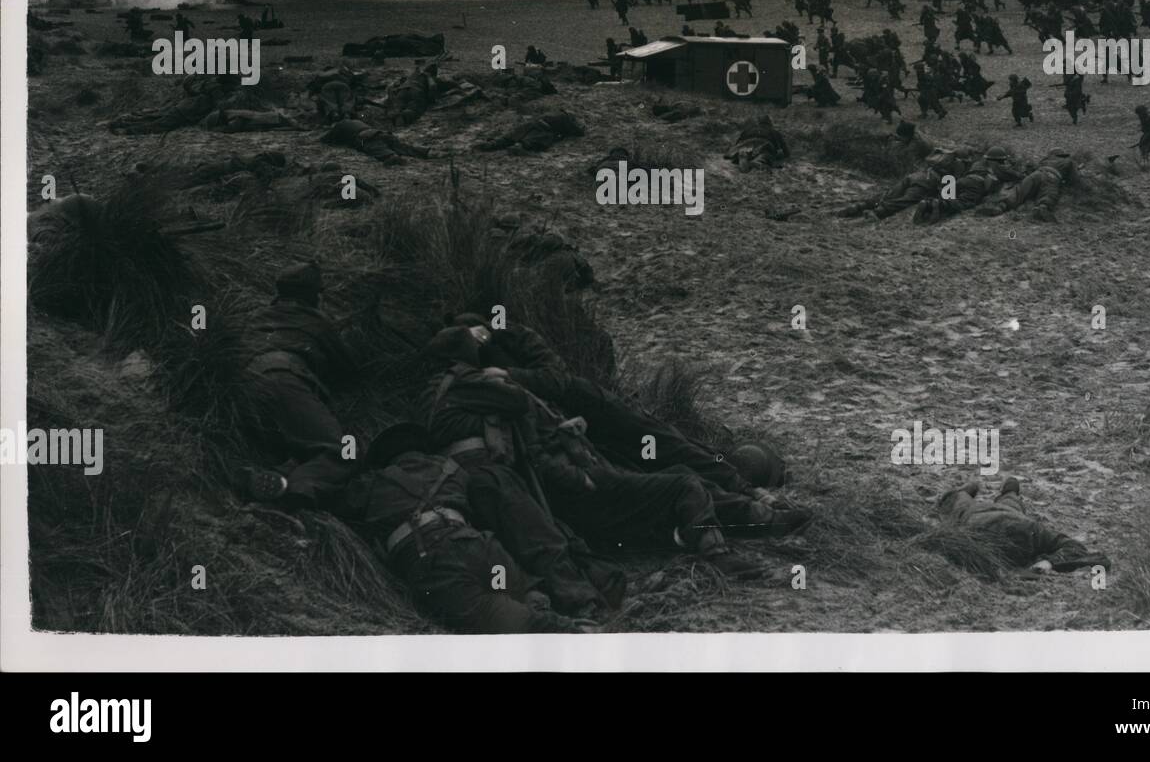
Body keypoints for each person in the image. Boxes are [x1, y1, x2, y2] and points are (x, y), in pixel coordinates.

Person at [419, 327, 767, 579]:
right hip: (580, 486)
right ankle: (721, 549)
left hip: (586, 478)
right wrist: (578, 470)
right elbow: (538, 457)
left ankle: (748, 514)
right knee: (682, 483)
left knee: (667, 476)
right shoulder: (501, 401)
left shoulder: (475, 405)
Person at [339, 424, 594, 633]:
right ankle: (549, 616)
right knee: (520, 589)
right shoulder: (450, 468)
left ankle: (573, 633)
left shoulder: (374, 482)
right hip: (478, 545)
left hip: (433, 559)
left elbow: (345, 500)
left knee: (493, 612)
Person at [235, 263, 359, 510]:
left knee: (295, 444)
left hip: (241, 388)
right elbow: (350, 369)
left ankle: (262, 476)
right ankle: (290, 494)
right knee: (344, 450)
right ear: (313, 295)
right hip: (283, 380)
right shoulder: (316, 321)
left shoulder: (254, 316)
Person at [936, 477, 1109, 574]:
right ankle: (1008, 492)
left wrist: (1049, 563)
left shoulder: (1032, 530)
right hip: (981, 514)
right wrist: (1050, 563)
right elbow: (1074, 547)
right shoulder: (1032, 531)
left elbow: (1074, 548)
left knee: (961, 502)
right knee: (960, 503)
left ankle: (1002, 492)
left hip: (999, 514)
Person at [321, 118, 431, 166]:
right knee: (402, 147)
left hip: (367, 138)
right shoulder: (356, 121)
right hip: (381, 133)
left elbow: (325, 140)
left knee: (377, 149)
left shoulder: (338, 126)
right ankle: (426, 152)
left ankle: (391, 156)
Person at [474, 111, 585, 154]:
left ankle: (492, 144)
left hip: (534, 122)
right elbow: (579, 132)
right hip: (545, 129)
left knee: (512, 136)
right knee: (536, 139)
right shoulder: (567, 120)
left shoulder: (555, 114)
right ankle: (520, 146)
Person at [724, 114, 789, 172]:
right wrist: (784, 155)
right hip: (764, 143)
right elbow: (785, 150)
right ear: (769, 123)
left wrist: (733, 150)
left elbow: (738, 142)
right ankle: (758, 161)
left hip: (745, 144)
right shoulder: (773, 131)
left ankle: (741, 157)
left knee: (743, 150)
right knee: (764, 154)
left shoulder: (748, 130)